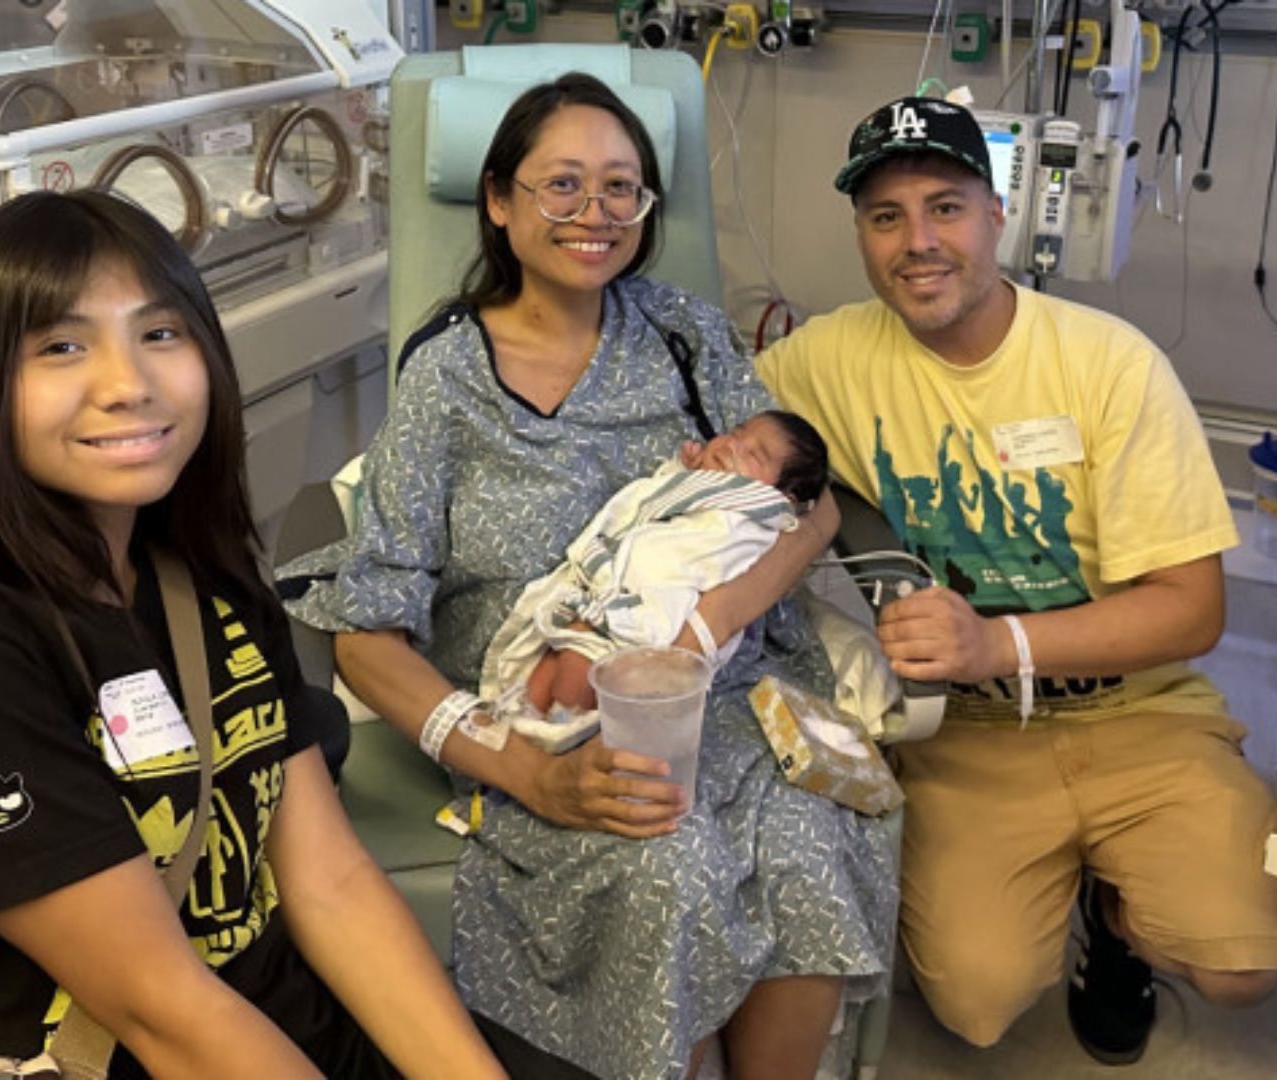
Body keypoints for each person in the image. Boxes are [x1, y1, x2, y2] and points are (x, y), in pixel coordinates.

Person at [0, 190, 514, 1079]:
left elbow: (328, 882)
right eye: (61, 346)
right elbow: (163, 1012)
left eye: (161, 333)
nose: (128, 383)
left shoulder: (201, 580)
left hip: (283, 1034)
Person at [278, 74, 896, 1080]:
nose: (594, 214)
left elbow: (809, 500)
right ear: (497, 199)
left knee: (807, 835)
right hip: (541, 715)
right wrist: (523, 771)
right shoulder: (449, 376)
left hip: (723, 695)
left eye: (622, 188)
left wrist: (705, 629)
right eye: (561, 185)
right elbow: (367, 628)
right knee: (671, 861)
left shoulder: (688, 336)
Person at [757, 96, 1277, 1064]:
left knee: (1243, 968)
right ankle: (1072, 885)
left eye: (946, 208)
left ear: (998, 214)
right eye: (887, 218)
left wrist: (996, 643)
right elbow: (714, 407)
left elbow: (1194, 608)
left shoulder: (1108, 367)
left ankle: (1119, 923)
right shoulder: (826, 361)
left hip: (1140, 711)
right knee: (976, 1004)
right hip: (971, 735)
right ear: (862, 236)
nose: (918, 243)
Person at [498, 409, 830, 723]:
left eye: (753, 455)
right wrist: (683, 474)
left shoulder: (756, 518)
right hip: (607, 593)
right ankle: (520, 725)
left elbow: (705, 555)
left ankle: (562, 730)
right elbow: (658, 505)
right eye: (735, 433)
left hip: (656, 615)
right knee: (550, 660)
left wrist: (698, 483)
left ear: (781, 498)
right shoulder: (709, 488)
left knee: (577, 666)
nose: (731, 445)